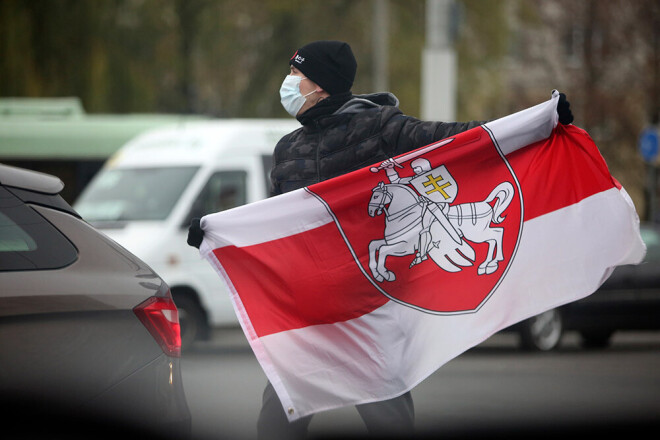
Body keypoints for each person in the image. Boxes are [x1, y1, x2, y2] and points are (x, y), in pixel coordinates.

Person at [188, 40, 573, 439]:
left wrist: (541, 122)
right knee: (277, 421)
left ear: (318, 85)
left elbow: (460, 140)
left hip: (366, 308)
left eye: (295, 75)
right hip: (309, 311)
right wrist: (214, 228)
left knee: (388, 420)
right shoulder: (289, 148)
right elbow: (273, 223)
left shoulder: (382, 128)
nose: (288, 83)